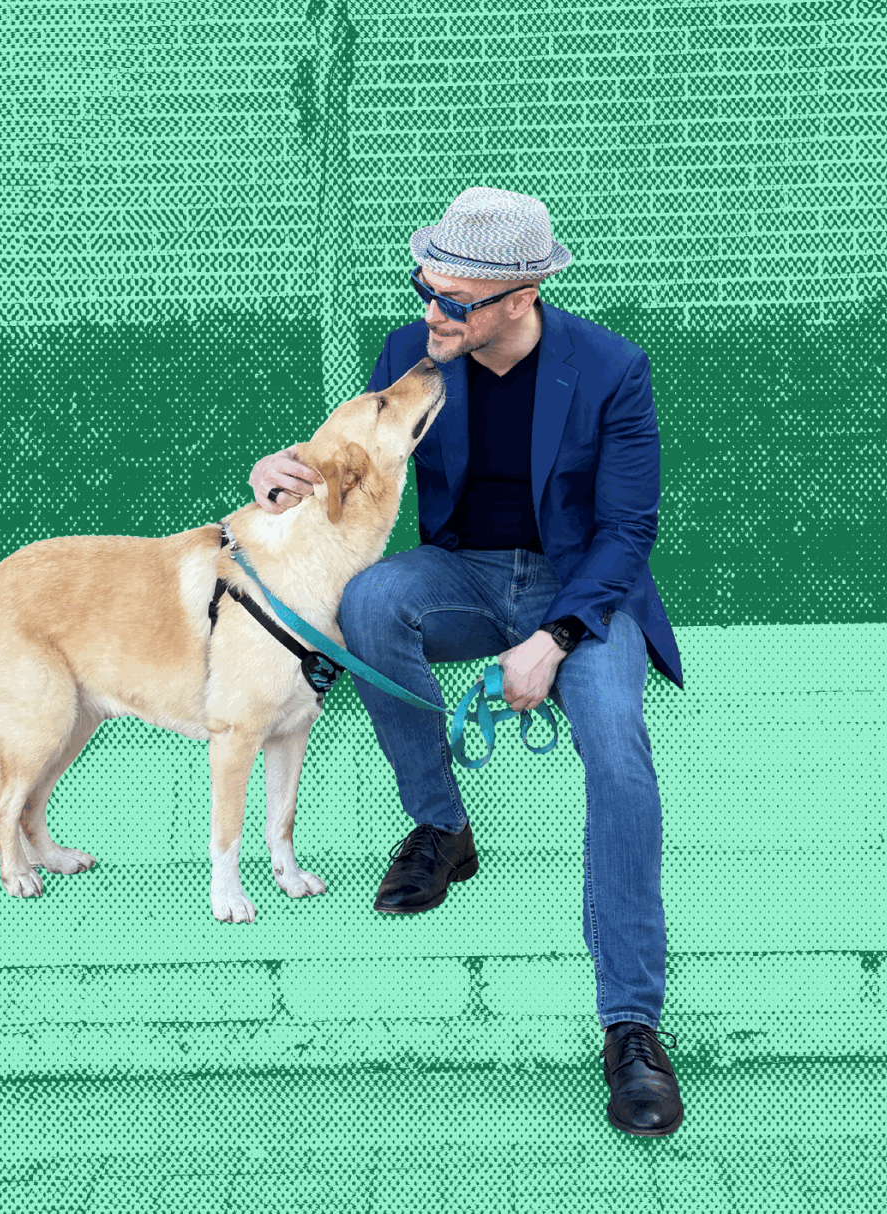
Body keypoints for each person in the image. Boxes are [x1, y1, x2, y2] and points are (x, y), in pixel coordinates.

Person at [248, 186, 685, 1136]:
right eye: (426, 287)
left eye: (454, 301)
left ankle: (633, 1026)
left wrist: (557, 638)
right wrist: (286, 477)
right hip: (463, 573)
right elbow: (351, 461)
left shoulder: (611, 370)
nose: (432, 313)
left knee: (616, 751)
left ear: (520, 295)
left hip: (581, 590)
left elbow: (627, 531)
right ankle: (443, 828)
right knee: (370, 605)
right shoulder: (414, 353)